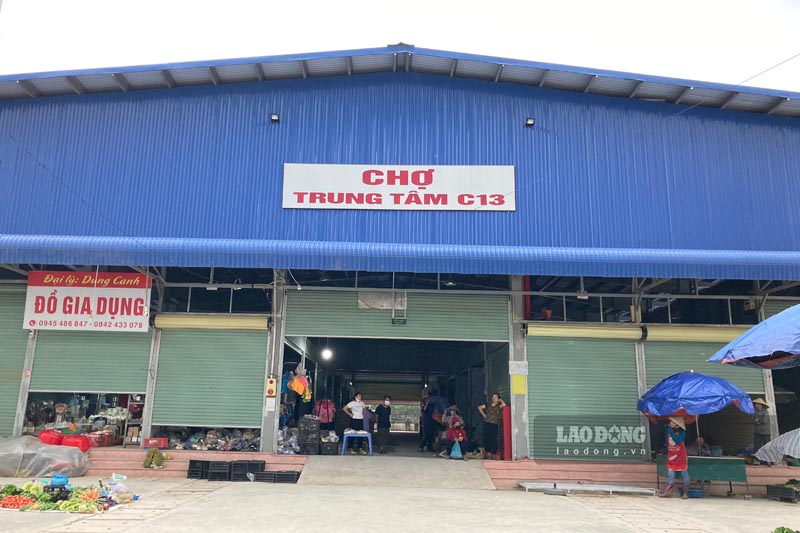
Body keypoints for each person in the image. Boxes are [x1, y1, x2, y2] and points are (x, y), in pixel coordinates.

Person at [659, 417, 690, 499]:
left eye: (672, 422)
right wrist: (665, 451)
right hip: (671, 456)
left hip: (681, 456)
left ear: (677, 424)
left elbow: (678, 441)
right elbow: (667, 442)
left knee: (684, 473)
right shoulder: (668, 431)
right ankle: (667, 492)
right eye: (670, 422)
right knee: (670, 474)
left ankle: (686, 493)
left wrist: (671, 433)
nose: (670, 424)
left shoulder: (682, 432)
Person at [478, 393, 506, 460]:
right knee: (487, 438)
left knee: (494, 439)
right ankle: (488, 453)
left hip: (494, 424)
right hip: (487, 423)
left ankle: (493, 453)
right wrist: (484, 415)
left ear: (498, 398)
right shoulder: (488, 404)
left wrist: (500, 400)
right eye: (493, 397)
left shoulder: (499, 406)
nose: (494, 398)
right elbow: (479, 407)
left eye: (495, 397)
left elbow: (504, 405)